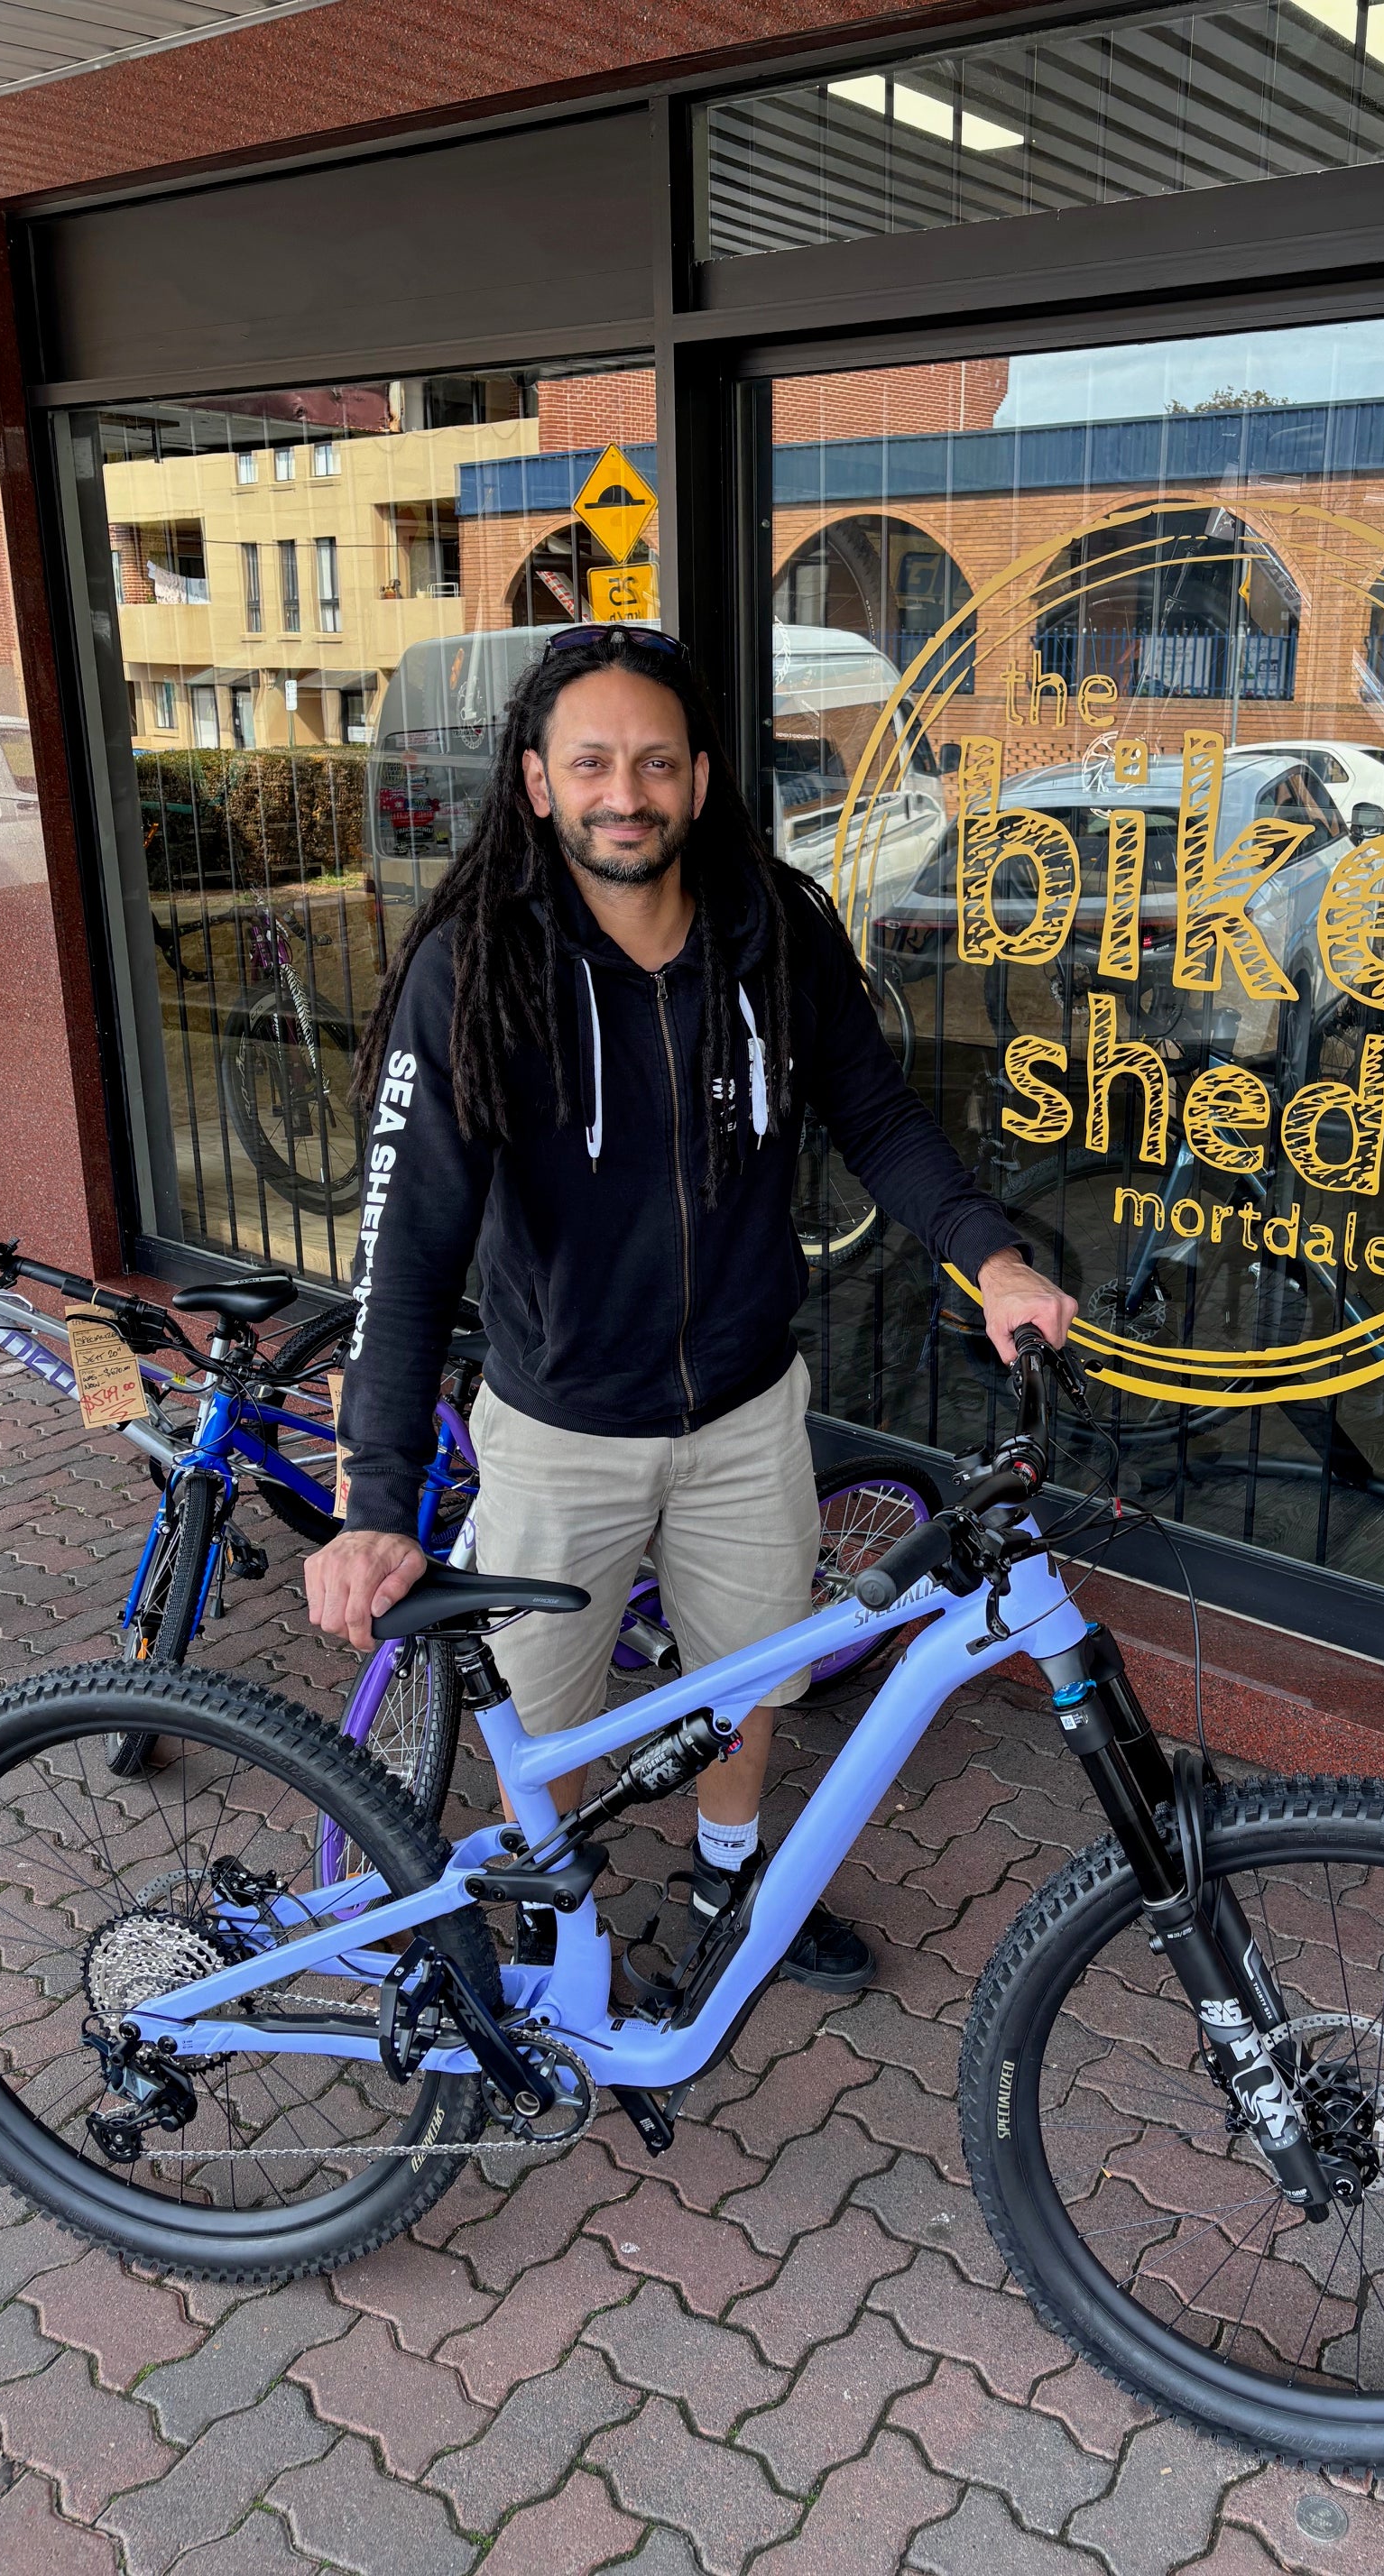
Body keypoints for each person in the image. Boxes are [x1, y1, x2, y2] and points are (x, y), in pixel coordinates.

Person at [304, 622, 1076, 1991]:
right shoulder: (475, 969)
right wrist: (375, 1499)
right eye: (591, 762)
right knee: (544, 1715)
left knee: (751, 1680)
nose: (626, 792)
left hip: (744, 1411)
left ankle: (731, 1888)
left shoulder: (771, 931)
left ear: (702, 778)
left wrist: (990, 1256)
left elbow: (876, 1117)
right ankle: (552, 1923)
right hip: (560, 1430)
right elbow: (407, 1248)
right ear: (536, 780)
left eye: (656, 762)